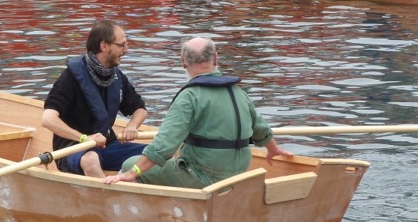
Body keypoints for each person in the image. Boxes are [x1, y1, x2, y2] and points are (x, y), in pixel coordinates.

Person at [104, 37, 293, 189]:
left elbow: (165, 143)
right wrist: (273, 149)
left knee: (130, 163)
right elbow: (260, 128)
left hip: (206, 177)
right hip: (239, 173)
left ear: (183, 62)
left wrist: (133, 172)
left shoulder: (189, 97)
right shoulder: (238, 91)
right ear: (216, 58)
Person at [42, 20, 148, 178]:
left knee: (153, 154)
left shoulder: (117, 77)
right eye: (122, 45)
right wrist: (84, 138)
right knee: (91, 160)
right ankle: (107, 200)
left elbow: (140, 109)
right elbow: (47, 119)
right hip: (72, 150)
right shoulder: (70, 78)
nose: (126, 50)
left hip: (106, 146)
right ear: (104, 46)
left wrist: (132, 126)